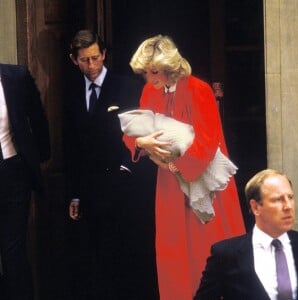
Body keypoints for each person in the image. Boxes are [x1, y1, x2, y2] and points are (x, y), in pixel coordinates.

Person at [123, 34, 245, 300]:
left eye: (154, 71)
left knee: (205, 252)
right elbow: (133, 130)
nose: (149, 77)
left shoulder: (199, 90)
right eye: (145, 71)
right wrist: (140, 143)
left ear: (170, 65)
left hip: (204, 183)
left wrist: (174, 166)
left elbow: (207, 143)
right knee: (172, 253)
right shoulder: (149, 91)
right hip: (169, 187)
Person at [64, 29, 158, 300]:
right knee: (96, 259)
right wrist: (75, 193)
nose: (91, 66)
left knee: (127, 259)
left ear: (103, 54)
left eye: (95, 58)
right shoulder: (71, 93)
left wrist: (125, 170)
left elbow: (141, 134)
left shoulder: (126, 86)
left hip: (124, 189)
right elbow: (72, 147)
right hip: (91, 191)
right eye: (84, 60)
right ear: (74, 59)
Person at [194, 169, 298, 300]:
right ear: (255, 207)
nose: (288, 206)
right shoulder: (225, 255)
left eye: (290, 197)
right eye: (278, 199)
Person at [0, 63, 51, 300]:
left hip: (13, 172)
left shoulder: (16, 76)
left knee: (14, 253)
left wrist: (41, 155)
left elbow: (37, 116)